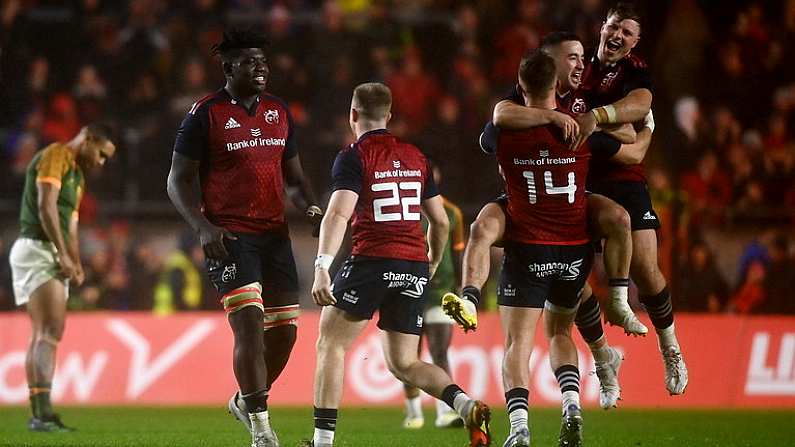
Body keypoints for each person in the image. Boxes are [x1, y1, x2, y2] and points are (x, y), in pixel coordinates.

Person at [444, 30, 654, 413]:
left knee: (519, 334)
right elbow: (629, 145)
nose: (578, 63)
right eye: (571, 57)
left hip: (536, 225)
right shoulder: (571, 116)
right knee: (564, 304)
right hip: (569, 232)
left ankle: (474, 297)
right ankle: (598, 355)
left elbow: (491, 129)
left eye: (580, 57)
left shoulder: (514, 128)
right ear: (554, 72)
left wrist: (591, 118)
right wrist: (584, 122)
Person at [308, 82, 491, 447]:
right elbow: (440, 221)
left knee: (331, 344)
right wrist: (432, 261)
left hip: (371, 259)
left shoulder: (353, 156)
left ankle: (322, 441)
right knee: (404, 363)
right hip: (413, 265)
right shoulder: (416, 156)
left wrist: (322, 264)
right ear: (389, 116)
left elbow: (339, 213)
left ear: (353, 114)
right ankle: (465, 404)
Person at [167, 29, 322, 447]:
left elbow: (294, 178)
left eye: (264, 63)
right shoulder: (206, 114)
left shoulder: (278, 111)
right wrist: (203, 226)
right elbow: (176, 180)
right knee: (250, 327)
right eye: (252, 62)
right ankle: (261, 429)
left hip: (275, 236)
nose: (261, 69)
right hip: (230, 237)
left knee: (286, 334)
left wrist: (310, 206)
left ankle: (244, 400)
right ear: (229, 68)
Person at [9, 123, 116, 432]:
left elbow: (69, 223)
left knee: (47, 332)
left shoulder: (77, 176)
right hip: (37, 248)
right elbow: (45, 207)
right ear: (88, 139)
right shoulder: (56, 155)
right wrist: (63, 254)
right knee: (48, 331)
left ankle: (42, 412)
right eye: (101, 154)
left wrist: (77, 261)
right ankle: (40, 415)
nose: (101, 162)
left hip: (50, 251)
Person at [402, 162, 465, 430]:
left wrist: (461, 289)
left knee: (440, 352)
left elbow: (458, 253)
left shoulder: (452, 213)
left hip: (441, 292)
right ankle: (413, 411)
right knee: (408, 356)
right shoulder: (405, 211)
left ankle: (445, 412)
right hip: (409, 291)